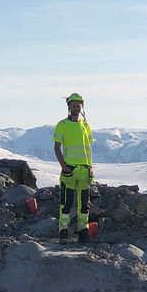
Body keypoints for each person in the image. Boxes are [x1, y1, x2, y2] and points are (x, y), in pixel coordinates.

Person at [53, 93, 94, 243]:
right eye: (74, 104)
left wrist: (90, 167)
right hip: (69, 169)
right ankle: (63, 230)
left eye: (79, 104)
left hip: (84, 169)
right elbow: (57, 148)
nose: (76, 107)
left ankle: (82, 230)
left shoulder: (85, 125)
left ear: (82, 106)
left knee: (84, 204)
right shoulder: (62, 125)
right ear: (69, 106)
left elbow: (88, 148)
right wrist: (64, 167)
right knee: (66, 202)